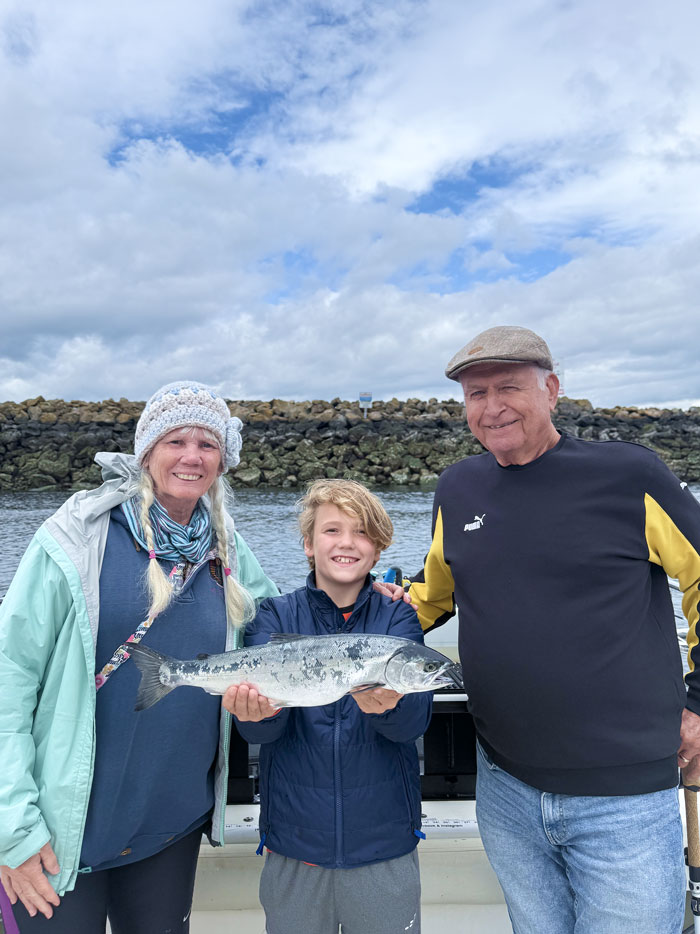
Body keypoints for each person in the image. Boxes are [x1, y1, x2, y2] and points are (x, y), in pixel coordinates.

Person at [408, 325, 700, 933]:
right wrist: (333, 616)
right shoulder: (458, 488)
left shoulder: (629, 476)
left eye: (508, 388)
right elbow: (430, 598)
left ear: (552, 390)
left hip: (626, 796)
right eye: (475, 395)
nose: (492, 408)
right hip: (506, 782)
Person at [0, 381, 279, 934]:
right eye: (176, 440)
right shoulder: (74, 539)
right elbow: (11, 678)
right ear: (146, 450)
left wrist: (365, 593)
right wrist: (14, 830)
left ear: (224, 459)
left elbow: (278, 629)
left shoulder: (227, 547)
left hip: (169, 824)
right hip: (60, 831)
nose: (192, 456)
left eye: (208, 443)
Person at [223, 479, 432, 934]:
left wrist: (388, 708)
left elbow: (411, 725)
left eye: (361, 533)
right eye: (332, 530)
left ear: (377, 551)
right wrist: (255, 713)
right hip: (294, 843)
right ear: (307, 545)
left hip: (384, 842)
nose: (346, 543)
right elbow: (260, 735)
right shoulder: (273, 615)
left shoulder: (398, 616)